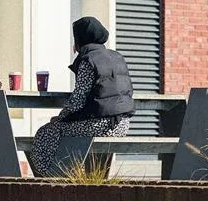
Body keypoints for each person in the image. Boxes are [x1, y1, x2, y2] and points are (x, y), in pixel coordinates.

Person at [30, 16, 134, 177]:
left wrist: (60, 118)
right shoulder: (117, 57)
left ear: (80, 39)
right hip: (122, 125)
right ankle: (68, 176)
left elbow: (78, 100)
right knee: (60, 130)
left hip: (101, 125)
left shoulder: (88, 61)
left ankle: (48, 178)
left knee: (46, 132)